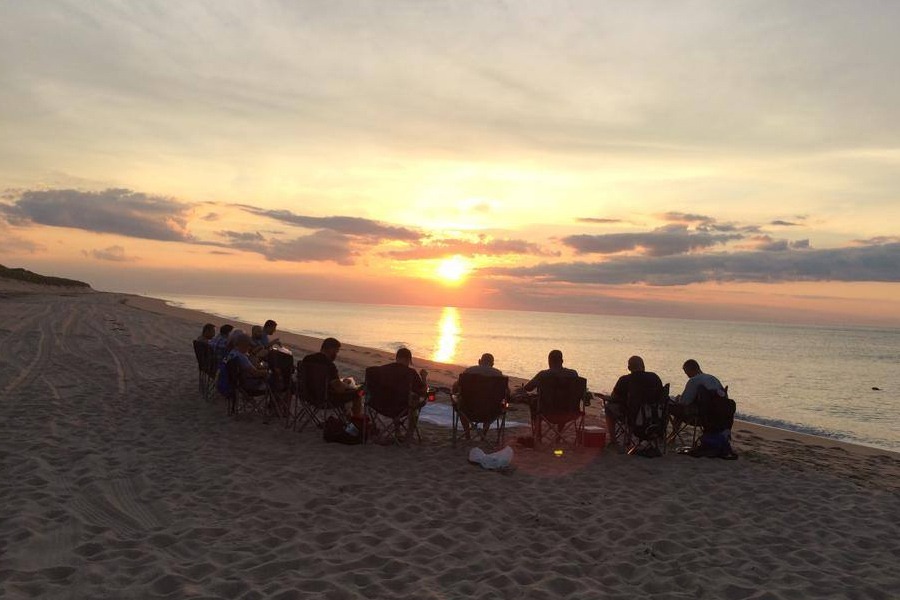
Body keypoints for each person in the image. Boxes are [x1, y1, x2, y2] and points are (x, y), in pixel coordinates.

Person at [599, 356, 663, 449]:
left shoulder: (624, 380)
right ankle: (630, 438)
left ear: (629, 368)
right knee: (632, 406)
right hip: (654, 417)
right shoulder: (655, 377)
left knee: (609, 407)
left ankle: (613, 440)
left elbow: (614, 397)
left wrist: (606, 398)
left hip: (632, 417)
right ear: (643, 366)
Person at [301, 337, 362, 417]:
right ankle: (356, 420)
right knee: (359, 393)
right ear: (331, 349)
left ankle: (347, 415)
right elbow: (339, 389)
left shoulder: (307, 359)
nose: (336, 354)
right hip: (325, 399)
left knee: (346, 393)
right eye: (336, 351)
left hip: (307, 395)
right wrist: (346, 383)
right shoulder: (329, 365)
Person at [379, 347, 428, 443]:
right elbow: (423, 392)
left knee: (393, 396)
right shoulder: (410, 373)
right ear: (408, 359)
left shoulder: (382, 370)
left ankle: (397, 431)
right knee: (415, 400)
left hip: (381, 406)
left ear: (397, 357)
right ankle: (409, 434)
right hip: (402, 408)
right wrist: (424, 377)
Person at [451, 353, 505, 439]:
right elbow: (506, 393)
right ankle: (483, 436)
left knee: (459, 404)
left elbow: (456, 388)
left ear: (479, 361)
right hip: (490, 412)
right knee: (492, 405)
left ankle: (467, 435)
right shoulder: (498, 375)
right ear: (492, 364)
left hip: (468, 410)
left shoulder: (468, 372)